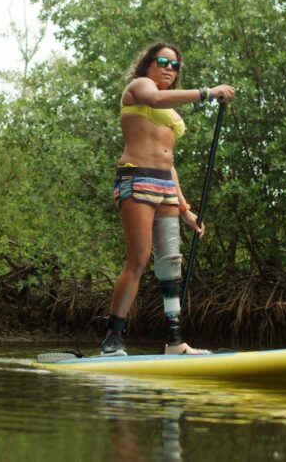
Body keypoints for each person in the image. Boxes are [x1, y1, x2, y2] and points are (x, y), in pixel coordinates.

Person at [102, 42, 236, 356]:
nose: (169, 68)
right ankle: (113, 338)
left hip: (164, 185)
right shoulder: (140, 86)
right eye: (163, 61)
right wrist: (207, 92)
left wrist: (186, 209)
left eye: (174, 65)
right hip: (136, 178)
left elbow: (169, 163)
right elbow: (154, 99)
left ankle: (175, 342)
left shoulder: (172, 111)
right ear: (148, 63)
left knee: (171, 265)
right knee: (139, 258)